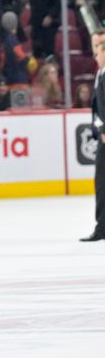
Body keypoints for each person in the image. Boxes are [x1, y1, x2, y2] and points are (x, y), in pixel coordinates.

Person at [82, 31, 105, 241]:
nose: (95, 53)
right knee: (101, 182)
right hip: (102, 136)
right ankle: (102, 226)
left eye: (98, 48)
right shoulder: (100, 73)